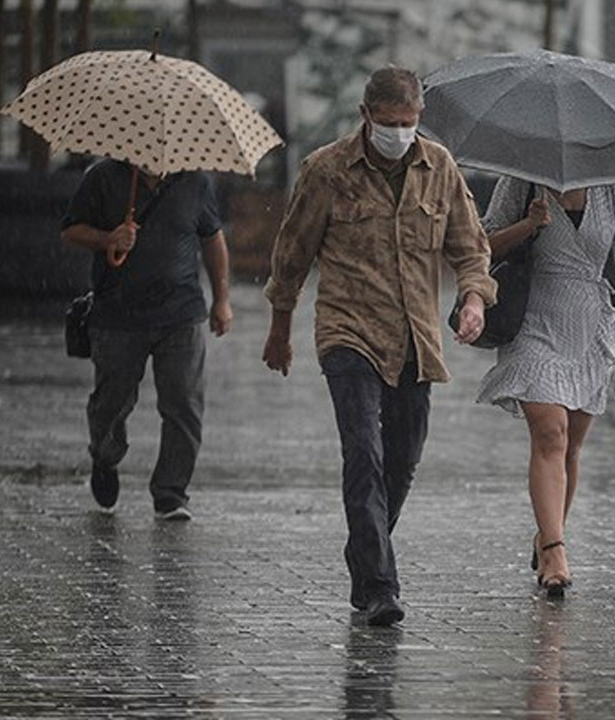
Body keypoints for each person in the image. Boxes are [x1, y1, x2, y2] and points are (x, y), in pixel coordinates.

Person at [261, 67, 496, 627]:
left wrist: (473, 300)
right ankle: (378, 587)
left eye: (409, 123)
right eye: (389, 123)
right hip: (349, 332)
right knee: (362, 452)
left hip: (416, 337)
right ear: (366, 116)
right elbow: (292, 254)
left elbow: (470, 249)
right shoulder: (327, 170)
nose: (399, 133)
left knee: (402, 461)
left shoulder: (438, 167)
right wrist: (278, 327)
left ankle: (365, 549)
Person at [476, 176, 615, 597]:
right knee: (549, 433)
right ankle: (556, 549)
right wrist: (528, 225)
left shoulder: (612, 184)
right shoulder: (521, 179)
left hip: (588, 324)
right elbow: (483, 244)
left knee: (571, 446)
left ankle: (546, 533)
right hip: (533, 321)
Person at [62, 160, 232, 521]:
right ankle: (105, 456)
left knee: (184, 404)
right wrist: (108, 238)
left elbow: (213, 238)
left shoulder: (196, 181)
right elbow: (70, 231)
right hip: (118, 315)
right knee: (111, 402)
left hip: (181, 313)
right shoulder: (103, 177)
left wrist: (222, 300)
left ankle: (171, 493)